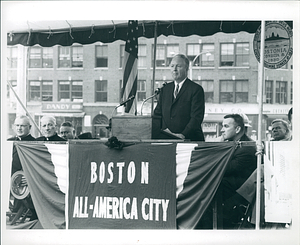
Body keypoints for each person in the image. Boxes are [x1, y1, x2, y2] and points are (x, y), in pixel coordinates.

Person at [153, 54, 205, 141]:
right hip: (167, 139)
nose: (174, 69)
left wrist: (183, 135)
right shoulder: (165, 89)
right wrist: (165, 131)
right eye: (172, 66)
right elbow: (157, 115)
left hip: (190, 140)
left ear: (186, 68)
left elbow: (196, 118)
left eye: (178, 66)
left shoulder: (196, 89)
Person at [7, 115, 37, 221]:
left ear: (29, 127)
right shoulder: (8, 142)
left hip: (25, 183)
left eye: (23, 126)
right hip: (9, 180)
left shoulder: (36, 143)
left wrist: (29, 177)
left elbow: (37, 166)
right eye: (17, 125)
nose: (19, 128)